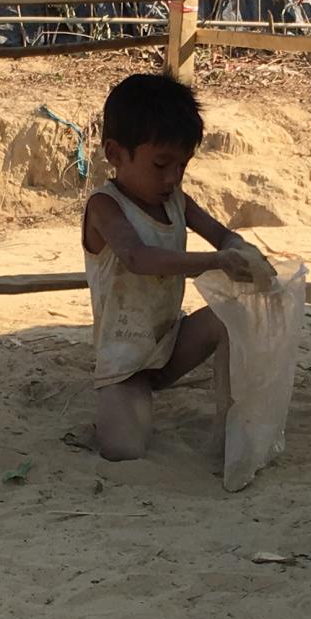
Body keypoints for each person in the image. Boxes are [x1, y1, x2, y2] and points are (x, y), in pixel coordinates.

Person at [83, 72, 274, 462]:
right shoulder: (105, 207)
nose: (172, 178)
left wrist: (249, 256)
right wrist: (217, 262)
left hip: (170, 345)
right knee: (124, 450)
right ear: (116, 154)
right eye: (160, 164)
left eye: (182, 166)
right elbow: (138, 258)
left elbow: (223, 236)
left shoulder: (176, 201)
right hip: (125, 361)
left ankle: (228, 422)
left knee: (230, 317)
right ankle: (124, 402)